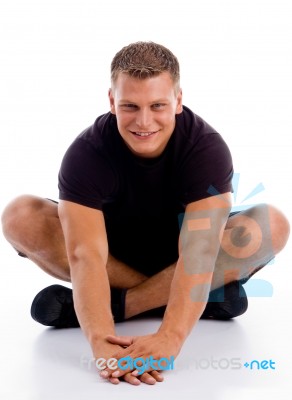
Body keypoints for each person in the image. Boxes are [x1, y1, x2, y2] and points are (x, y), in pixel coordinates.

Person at [1, 41, 290, 386]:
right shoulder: (86, 154)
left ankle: (124, 305)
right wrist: (101, 341)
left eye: (157, 106)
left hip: (186, 257)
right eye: (129, 106)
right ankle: (206, 299)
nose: (144, 121)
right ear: (111, 101)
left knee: (271, 224)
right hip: (113, 259)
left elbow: (198, 255)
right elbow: (86, 257)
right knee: (19, 215)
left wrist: (171, 336)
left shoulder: (206, 148)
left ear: (178, 100)